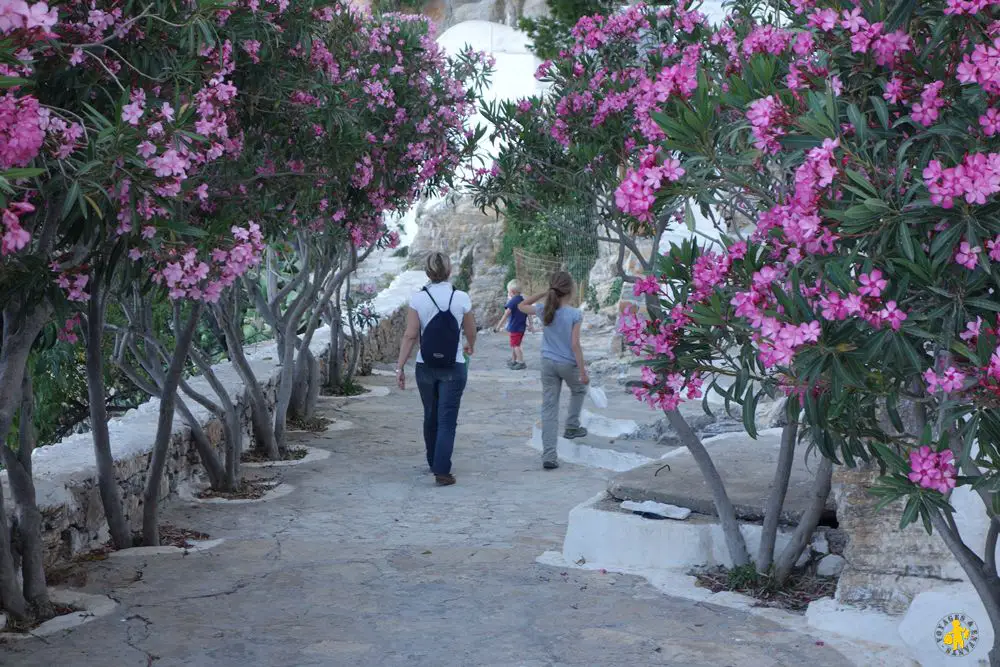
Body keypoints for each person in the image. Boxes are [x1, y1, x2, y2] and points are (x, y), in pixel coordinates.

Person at [396, 252, 476, 486]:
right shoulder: (461, 297)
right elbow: (471, 331)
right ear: (449, 271)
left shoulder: (418, 299)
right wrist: (470, 345)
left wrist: (400, 367)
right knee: (447, 418)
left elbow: (410, 335)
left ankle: (434, 461)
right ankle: (442, 469)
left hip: (426, 366)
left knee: (430, 416)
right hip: (454, 366)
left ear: (428, 272)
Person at [517, 271, 589, 470]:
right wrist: (582, 371)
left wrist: (542, 293)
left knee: (549, 408)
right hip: (568, 364)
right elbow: (575, 344)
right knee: (579, 389)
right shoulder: (575, 314)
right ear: (571, 290)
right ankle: (572, 425)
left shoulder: (543, 309)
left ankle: (549, 455)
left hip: (547, 363)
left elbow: (520, 306)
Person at [493, 279, 529, 370]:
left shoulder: (513, 301)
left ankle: (521, 362)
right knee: (514, 344)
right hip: (521, 327)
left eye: (508, 291)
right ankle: (514, 360)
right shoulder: (522, 300)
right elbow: (528, 312)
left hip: (515, 327)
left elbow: (506, 314)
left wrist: (498, 327)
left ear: (512, 292)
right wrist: (531, 325)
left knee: (516, 346)